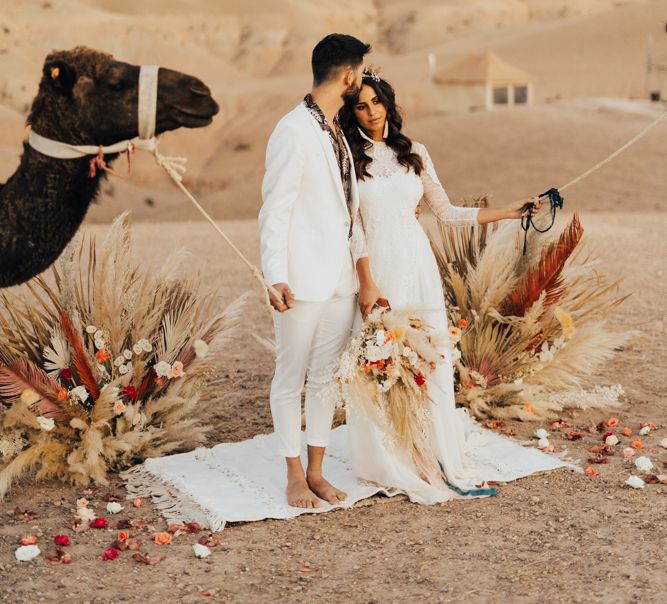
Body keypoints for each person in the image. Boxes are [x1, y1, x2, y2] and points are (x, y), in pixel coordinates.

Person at [338, 70, 543, 502]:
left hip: (417, 264)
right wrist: (367, 283)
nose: (371, 112)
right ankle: (392, 454)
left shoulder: (414, 152)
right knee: (384, 359)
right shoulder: (350, 158)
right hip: (379, 268)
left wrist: (507, 211)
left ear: (389, 104)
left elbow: (446, 212)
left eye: (377, 102)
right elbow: (353, 227)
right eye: (362, 104)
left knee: (428, 356)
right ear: (352, 110)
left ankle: (432, 449)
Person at [258, 34, 378, 509]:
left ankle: (317, 471)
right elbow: (276, 208)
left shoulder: (335, 133)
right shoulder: (293, 129)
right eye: (362, 73)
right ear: (348, 75)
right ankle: (292, 476)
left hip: (340, 282)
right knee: (290, 379)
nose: (363, 80)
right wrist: (274, 274)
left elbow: (348, 212)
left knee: (326, 379)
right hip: (300, 281)